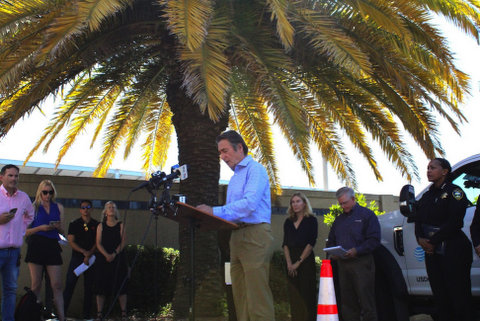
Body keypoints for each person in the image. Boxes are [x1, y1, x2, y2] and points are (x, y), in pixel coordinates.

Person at [197, 130, 275, 321]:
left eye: (225, 151)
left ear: (239, 147)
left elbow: (249, 204)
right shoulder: (234, 179)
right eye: (220, 153)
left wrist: (213, 211)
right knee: (240, 298)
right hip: (236, 237)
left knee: (257, 297)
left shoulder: (255, 169)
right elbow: (232, 213)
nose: (222, 157)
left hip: (255, 235)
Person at [415, 158, 472, 321]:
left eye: (433, 168)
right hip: (432, 253)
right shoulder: (426, 196)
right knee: (440, 296)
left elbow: (455, 222)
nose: (428, 171)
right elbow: (418, 219)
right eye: (427, 168)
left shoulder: (455, 192)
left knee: (458, 296)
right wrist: (420, 239)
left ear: (445, 171)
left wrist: (433, 241)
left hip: (453, 250)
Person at [326, 186, 380, 321]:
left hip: (361, 263)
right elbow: (331, 240)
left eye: (345, 203)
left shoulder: (367, 215)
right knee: (347, 303)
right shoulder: (338, 220)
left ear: (353, 199)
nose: (343, 206)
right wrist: (333, 252)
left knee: (366, 301)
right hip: (343, 265)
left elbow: (374, 240)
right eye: (340, 204)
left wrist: (357, 250)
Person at [25, 179, 66, 321]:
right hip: (36, 244)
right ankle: (34, 316)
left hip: (52, 245)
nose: (47, 195)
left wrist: (58, 227)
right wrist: (40, 228)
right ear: (40, 192)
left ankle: (62, 317)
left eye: (50, 192)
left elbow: (63, 231)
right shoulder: (33, 207)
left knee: (57, 284)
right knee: (36, 285)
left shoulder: (58, 207)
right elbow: (25, 231)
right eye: (45, 192)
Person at [0, 164, 34, 321]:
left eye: (16, 176)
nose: (14, 178)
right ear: (2, 177)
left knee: (11, 290)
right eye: (10, 175)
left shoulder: (24, 198)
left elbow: (30, 216)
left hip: (13, 252)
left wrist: (20, 229)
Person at [282, 192, 318, 321]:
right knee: (294, 295)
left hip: (305, 261)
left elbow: (310, 243)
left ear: (304, 203)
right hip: (290, 261)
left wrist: (298, 262)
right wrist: (289, 264)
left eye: (298, 201)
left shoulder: (311, 220)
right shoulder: (288, 222)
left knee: (307, 294)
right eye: (293, 202)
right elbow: (285, 244)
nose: (295, 204)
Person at [63, 200, 99, 319]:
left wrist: (89, 254)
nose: (85, 209)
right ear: (80, 210)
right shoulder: (74, 223)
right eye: (83, 207)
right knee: (69, 285)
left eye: (88, 207)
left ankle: (86, 315)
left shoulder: (97, 224)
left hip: (91, 259)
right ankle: (61, 313)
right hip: (77, 258)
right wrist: (84, 252)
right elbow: (71, 241)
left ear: (92, 209)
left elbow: (97, 242)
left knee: (89, 287)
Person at [95, 201, 128, 321]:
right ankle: (99, 313)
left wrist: (114, 254)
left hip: (118, 258)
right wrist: (106, 254)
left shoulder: (120, 225)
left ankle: (123, 313)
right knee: (101, 286)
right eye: (109, 207)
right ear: (105, 211)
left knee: (121, 286)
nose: (111, 209)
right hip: (103, 259)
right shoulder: (100, 226)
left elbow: (123, 241)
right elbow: (98, 243)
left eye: (113, 207)